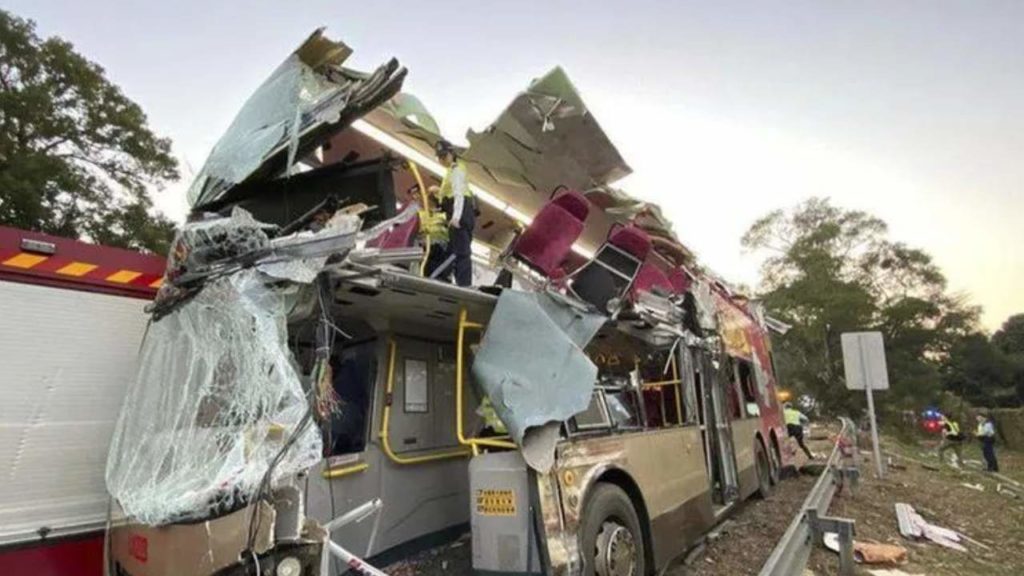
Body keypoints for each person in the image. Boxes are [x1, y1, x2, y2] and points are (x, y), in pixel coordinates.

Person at [429, 139, 475, 287]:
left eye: (444, 156)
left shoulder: (456, 170)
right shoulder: (449, 171)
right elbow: (449, 195)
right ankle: (445, 277)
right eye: (439, 157)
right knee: (452, 249)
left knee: (461, 251)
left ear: (451, 153)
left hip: (461, 212)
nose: (441, 159)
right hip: (455, 211)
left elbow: (459, 195)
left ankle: (464, 285)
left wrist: (456, 217)